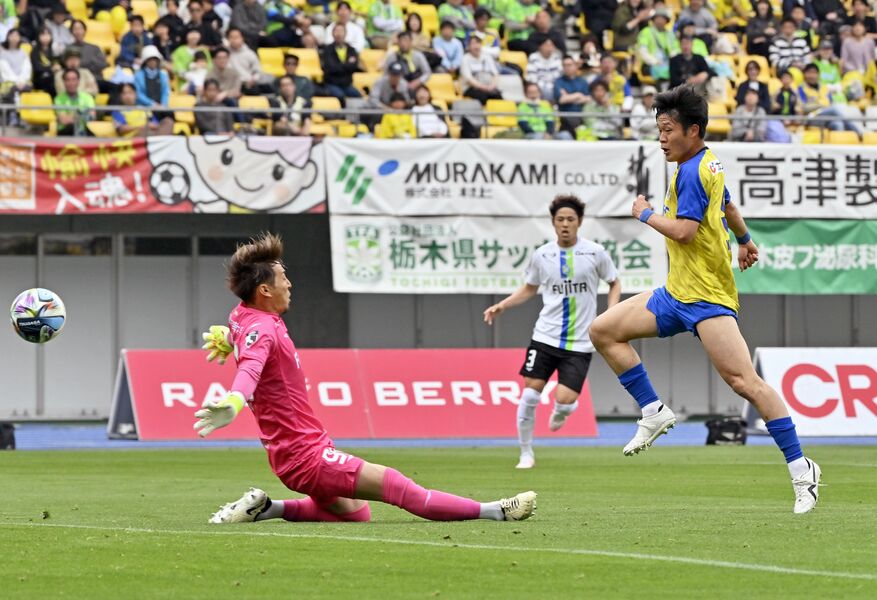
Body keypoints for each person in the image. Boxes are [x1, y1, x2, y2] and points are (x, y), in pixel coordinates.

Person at [587, 85, 822, 514]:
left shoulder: (694, 171)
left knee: (745, 383)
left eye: (668, 129)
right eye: (659, 129)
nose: (661, 138)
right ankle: (654, 411)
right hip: (675, 292)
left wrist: (644, 213)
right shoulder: (704, 161)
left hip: (706, 300)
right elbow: (728, 205)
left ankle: (802, 468)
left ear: (692, 130)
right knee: (603, 331)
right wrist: (745, 240)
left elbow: (685, 231)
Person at [195, 234, 537, 524]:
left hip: (296, 453)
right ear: (265, 290)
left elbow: (245, 335)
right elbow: (250, 369)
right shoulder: (263, 329)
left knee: (357, 514)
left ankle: (267, 508)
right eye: (283, 277)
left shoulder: (245, 316)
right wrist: (233, 402)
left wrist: (229, 337)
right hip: (306, 457)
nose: (289, 283)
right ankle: (496, 511)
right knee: (400, 488)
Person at [484, 195, 620, 469]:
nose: (565, 224)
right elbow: (529, 288)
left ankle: (564, 410)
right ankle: (525, 453)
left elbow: (614, 282)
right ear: (553, 223)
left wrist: (611, 313)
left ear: (579, 222)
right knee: (530, 395)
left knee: (565, 401)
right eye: (560, 220)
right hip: (545, 337)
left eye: (570, 219)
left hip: (580, 343)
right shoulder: (542, 255)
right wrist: (503, 305)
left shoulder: (595, 252)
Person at [321, 22, 362, 104]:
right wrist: (347, 65)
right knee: (340, 96)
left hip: (346, 84)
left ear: (345, 33)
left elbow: (354, 67)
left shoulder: (351, 50)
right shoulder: (327, 50)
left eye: (341, 31)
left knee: (358, 95)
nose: (339, 34)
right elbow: (331, 68)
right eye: (336, 31)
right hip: (331, 83)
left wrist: (339, 66)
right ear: (332, 33)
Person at [227, 27, 275, 95]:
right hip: (229, 84)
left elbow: (258, 72)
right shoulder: (224, 53)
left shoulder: (250, 54)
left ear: (242, 38)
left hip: (246, 83)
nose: (234, 40)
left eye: (236, 37)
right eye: (231, 37)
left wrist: (253, 80)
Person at [636, 8, 678, 84]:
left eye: (662, 18)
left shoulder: (670, 34)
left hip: (667, 64)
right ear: (653, 20)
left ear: (666, 21)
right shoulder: (646, 32)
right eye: (658, 18)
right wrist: (655, 61)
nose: (660, 21)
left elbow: (675, 50)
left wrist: (672, 61)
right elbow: (642, 52)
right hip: (650, 64)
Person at [554, 54, 590, 134]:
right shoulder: (558, 81)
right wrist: (578, 95)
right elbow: (562, 100)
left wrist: (568, 97)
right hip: (565, 119)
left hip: (581, 118)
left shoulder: (582, 81)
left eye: (569, 65)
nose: (567, 68)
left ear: (575, 66)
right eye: (564, 65)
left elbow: (588, 99)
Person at [460, 34, 501, 104]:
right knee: (483, 97)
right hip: (471, 88)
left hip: (488, 86)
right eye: (473, 44)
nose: (476, 46)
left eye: (478, 43)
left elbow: (495, 74)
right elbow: (469, 79)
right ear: (469, 46)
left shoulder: (487, 57)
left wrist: (492, 86)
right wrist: (484, 87)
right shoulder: (465, 59)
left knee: (498, 96)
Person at [55, 67, 96, 136]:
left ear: (78, 81)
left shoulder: (87, 97)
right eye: (68, 80)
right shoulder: (58, 99)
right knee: (72, 127)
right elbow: (63, 120)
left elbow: (92, 117)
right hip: (65, 131)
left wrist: (72, 117)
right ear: (64, 82)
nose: (71, 83)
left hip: (83, 129)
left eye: (74, 79)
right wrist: (82, 116)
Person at [31, 26, 60, 96]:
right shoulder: (35, 52)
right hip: (40, 78)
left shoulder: (53, 51)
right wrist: (51, 69)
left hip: (53, 76)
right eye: (43, 34)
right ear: (38, 37)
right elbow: (37, 68)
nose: (45, 37)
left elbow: (57, 63)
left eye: (48, 34)